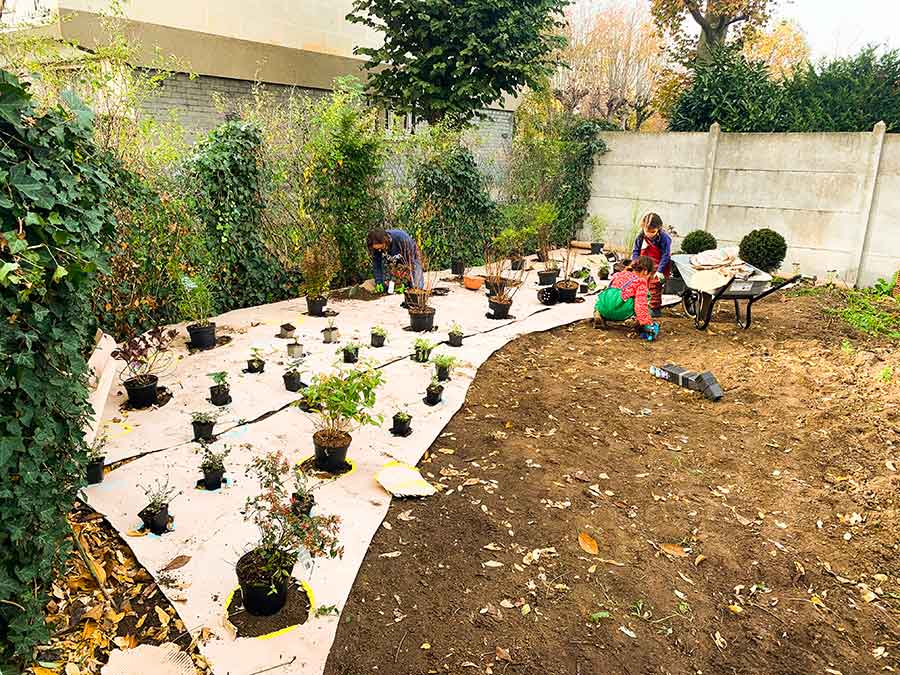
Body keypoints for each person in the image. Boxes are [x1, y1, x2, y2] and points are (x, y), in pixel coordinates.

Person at [593, 256, 659, 339]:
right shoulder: (640, 281)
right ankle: (634, 319)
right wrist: (646, 323)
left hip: (604, 307)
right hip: (620, 310)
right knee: (644, 298)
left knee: (604, 296)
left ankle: (599, 314)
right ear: (645, 271)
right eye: (649, 275)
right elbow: (641, 304)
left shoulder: (619, 275)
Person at [631, 213, 671, 318]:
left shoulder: (664, 238)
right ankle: (640, 307)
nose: (649, 234)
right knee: (640, 284)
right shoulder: (640, 237)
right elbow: (636, 251)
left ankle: (655, 309)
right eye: (647, 231)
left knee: (654, 286)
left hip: (658, 265)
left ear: (658, 229)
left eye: (653, 232)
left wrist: (660, 271)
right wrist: (634, 265)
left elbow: (666, 255)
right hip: (644, 265)